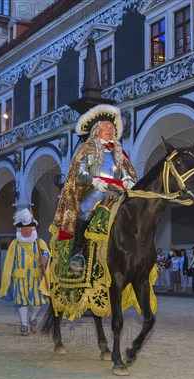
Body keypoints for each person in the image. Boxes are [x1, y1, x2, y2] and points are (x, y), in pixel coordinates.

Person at [52, 104, 137, 275]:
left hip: (118, 191)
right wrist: (95, 181)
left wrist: (128, 180)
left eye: (111, 127)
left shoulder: (119, 153)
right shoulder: (87, 149)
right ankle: (78, 253)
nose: (109, 129)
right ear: (96, 129)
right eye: (105, 126)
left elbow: (126, 171)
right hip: (96, 188)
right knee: (86, 209)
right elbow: (79, 174)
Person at [0, 208, 49, 336]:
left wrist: (45, 258)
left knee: (38, 301)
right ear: (20, 229)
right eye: (24, 228)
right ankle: (24, 324)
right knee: (22, 301)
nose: (27, 230)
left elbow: (47, 253)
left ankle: (32, 317)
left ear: (33, 229)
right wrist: (7, 278)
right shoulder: (15, 244)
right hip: (19, 277)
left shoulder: (39, 242)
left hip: (36, 276)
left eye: (29, 228)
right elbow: (9, 261)